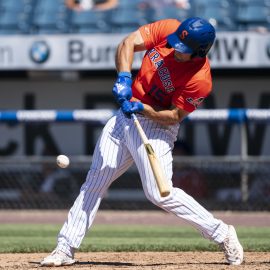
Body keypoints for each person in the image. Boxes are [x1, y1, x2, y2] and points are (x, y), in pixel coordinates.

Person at [40, 17, 244, 266]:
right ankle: (65, 248)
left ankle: (222, 233)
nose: (175, 50)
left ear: (199, 52)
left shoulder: (200, 79)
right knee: (96, 179)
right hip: (123, 116)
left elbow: (174, 116)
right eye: (175, 44)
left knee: (159, 193)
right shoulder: (169, 29)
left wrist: (143, 108)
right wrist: (124, 77)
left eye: (183, 50)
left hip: (155, 125)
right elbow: (128, 43)